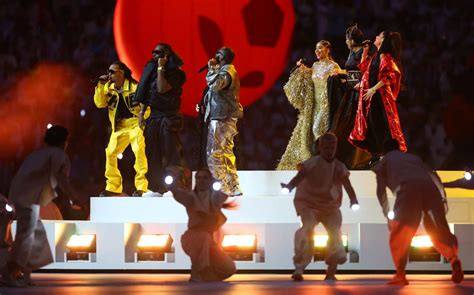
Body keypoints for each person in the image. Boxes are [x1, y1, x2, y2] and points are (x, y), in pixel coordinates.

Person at [373, 139, 464, 285]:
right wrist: (443, 198)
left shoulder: (384, 162)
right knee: (437, 228)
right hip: (431, 189)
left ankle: (400, 274)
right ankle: (453, 259)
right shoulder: (413, 158)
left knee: (401, 231)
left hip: (407, 188)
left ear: (383, 152)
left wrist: (387, 213)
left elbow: (380, 190)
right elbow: (434, 176)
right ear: (399, 149)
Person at [2, 126, 78, 287]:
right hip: (28, 198)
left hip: (20, 194)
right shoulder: (58, 154)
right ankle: (10, 272)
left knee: (37, 235)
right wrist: (73, 197)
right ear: (64, 142)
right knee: (27, 236)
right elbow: (60, 176)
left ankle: (25, 273)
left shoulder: (37, 153)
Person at [281, 132, 359, 281]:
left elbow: (347, 184)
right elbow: (300, 177)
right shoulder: (312, 163)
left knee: (335, 234)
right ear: (321, 148)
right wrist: (289, 186)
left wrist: (353, 199)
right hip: (309, 204)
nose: (329, 151)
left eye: (332, 147)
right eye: (326, 147)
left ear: (335, 147)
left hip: (330, 207)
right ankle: (299, 269)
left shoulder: (339, 166)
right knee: (307, 229)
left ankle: (331, 272)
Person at [278, 41, 341, 170]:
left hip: (326, 104)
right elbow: (310, 73)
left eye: (320, 48)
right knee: (312, 133)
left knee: (318, 130)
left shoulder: (333, 66)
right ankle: (317, 161)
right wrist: (302, 69)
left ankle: (323, 160)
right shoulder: (315, 65)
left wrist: (339, 73)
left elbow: (342, 76)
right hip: (315, 105)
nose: (316, 51)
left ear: (327, 49)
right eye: (315, 49)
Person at [134, 43, 187, 195]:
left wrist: (160, 68)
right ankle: (155, 188)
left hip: (170, 116)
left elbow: (162, 88)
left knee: (171, 153)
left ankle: (175, 186)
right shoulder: (152, 70)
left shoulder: (177, 74)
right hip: (154, 116)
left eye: (159, 53)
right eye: (154, 53)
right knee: (152, 154)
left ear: (167, 54)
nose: (155, 56)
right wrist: (142, 113)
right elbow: (148, 92)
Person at [168, 168, 237, 282]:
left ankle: (207, 276)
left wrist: (225, 179)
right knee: (203, 237)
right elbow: (178, 193)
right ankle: (198, 271)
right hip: (193, 237)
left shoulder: (215, 197)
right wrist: (173, 183)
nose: (202, 180)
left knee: (229, 268)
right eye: (199, 178)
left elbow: (225, 193)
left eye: (205, 178)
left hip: (209, 240)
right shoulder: (190, 197)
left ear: (210, 180)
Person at [349, 31, 407, 161]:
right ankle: (378, 155)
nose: (375, 37)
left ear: (383, 39)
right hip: (371, 98)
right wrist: (364, 53)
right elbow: (365, 70)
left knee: (380, 126)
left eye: (379, 35)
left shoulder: (385, 57)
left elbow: (389, 76)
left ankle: (385, 155)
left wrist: (373, 89)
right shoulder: (376, 55)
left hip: (379, 98)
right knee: (371, 126)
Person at [94, 61, 149, 197]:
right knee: (110, 152)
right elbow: (99, 103)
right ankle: (113, 186)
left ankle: (142, 186)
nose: (109, 74)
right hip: (119, 126)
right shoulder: (107, 88)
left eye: (112, 72)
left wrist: (143, 118)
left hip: (135, 123)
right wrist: (100, 85)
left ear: (122, 73)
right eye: (108, 72)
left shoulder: (135, 87)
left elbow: (146, 106)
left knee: (138, 150)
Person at [327, 24, 374, 169]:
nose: (346, 42)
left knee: (355, 124)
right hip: (351, 92)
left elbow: (365, 72)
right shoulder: (352, 52)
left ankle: (359, 160)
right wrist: (340, 73)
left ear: (351, 40)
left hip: (359, 93)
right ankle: (345, 159)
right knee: (345, 124)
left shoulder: (363, 52)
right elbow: (350, 72)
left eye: (347, 39)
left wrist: (358, 83)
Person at [202, 47, 243, 196]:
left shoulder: (227, 71)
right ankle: (233, 187)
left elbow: (216, 85)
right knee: (226, 153)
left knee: (214, 152)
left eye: (217, 54)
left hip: (221, 117)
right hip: (226, 117)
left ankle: (221, 187)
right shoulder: (227, 71)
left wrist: (212, 70)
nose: (214, 56)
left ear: (222, 57)